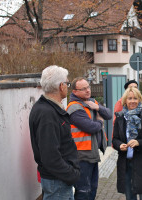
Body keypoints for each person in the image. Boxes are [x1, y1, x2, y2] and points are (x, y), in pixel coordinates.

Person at [29, 65, 80, 200]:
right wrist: (71, 174)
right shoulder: (47, 113)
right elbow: (50, 156)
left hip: (58, 180)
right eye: (67, 83)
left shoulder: (48, 108)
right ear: (61, 86)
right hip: (57, 182)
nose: (68, 87)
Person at [66, 77, 112, 200]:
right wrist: (100, 123)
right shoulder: (74, 108)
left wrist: (98, 108)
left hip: (91, 154)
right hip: (81, 156)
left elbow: (108, 114)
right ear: (75, 92)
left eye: (88, 87)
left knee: (92, 189)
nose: (87, 90)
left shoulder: (90, 102)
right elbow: (90, 127)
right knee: (84, 191)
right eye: (83, 89)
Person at [112, 87, 142, 200]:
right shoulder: (120, 117)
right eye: (130, 98)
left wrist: (138, 143)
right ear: (125, 100)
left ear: (140, 100)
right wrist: (119, 145)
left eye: (135, 98)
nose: (132, 101)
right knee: (129, 196)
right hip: (125, 164)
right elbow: (115, 139)